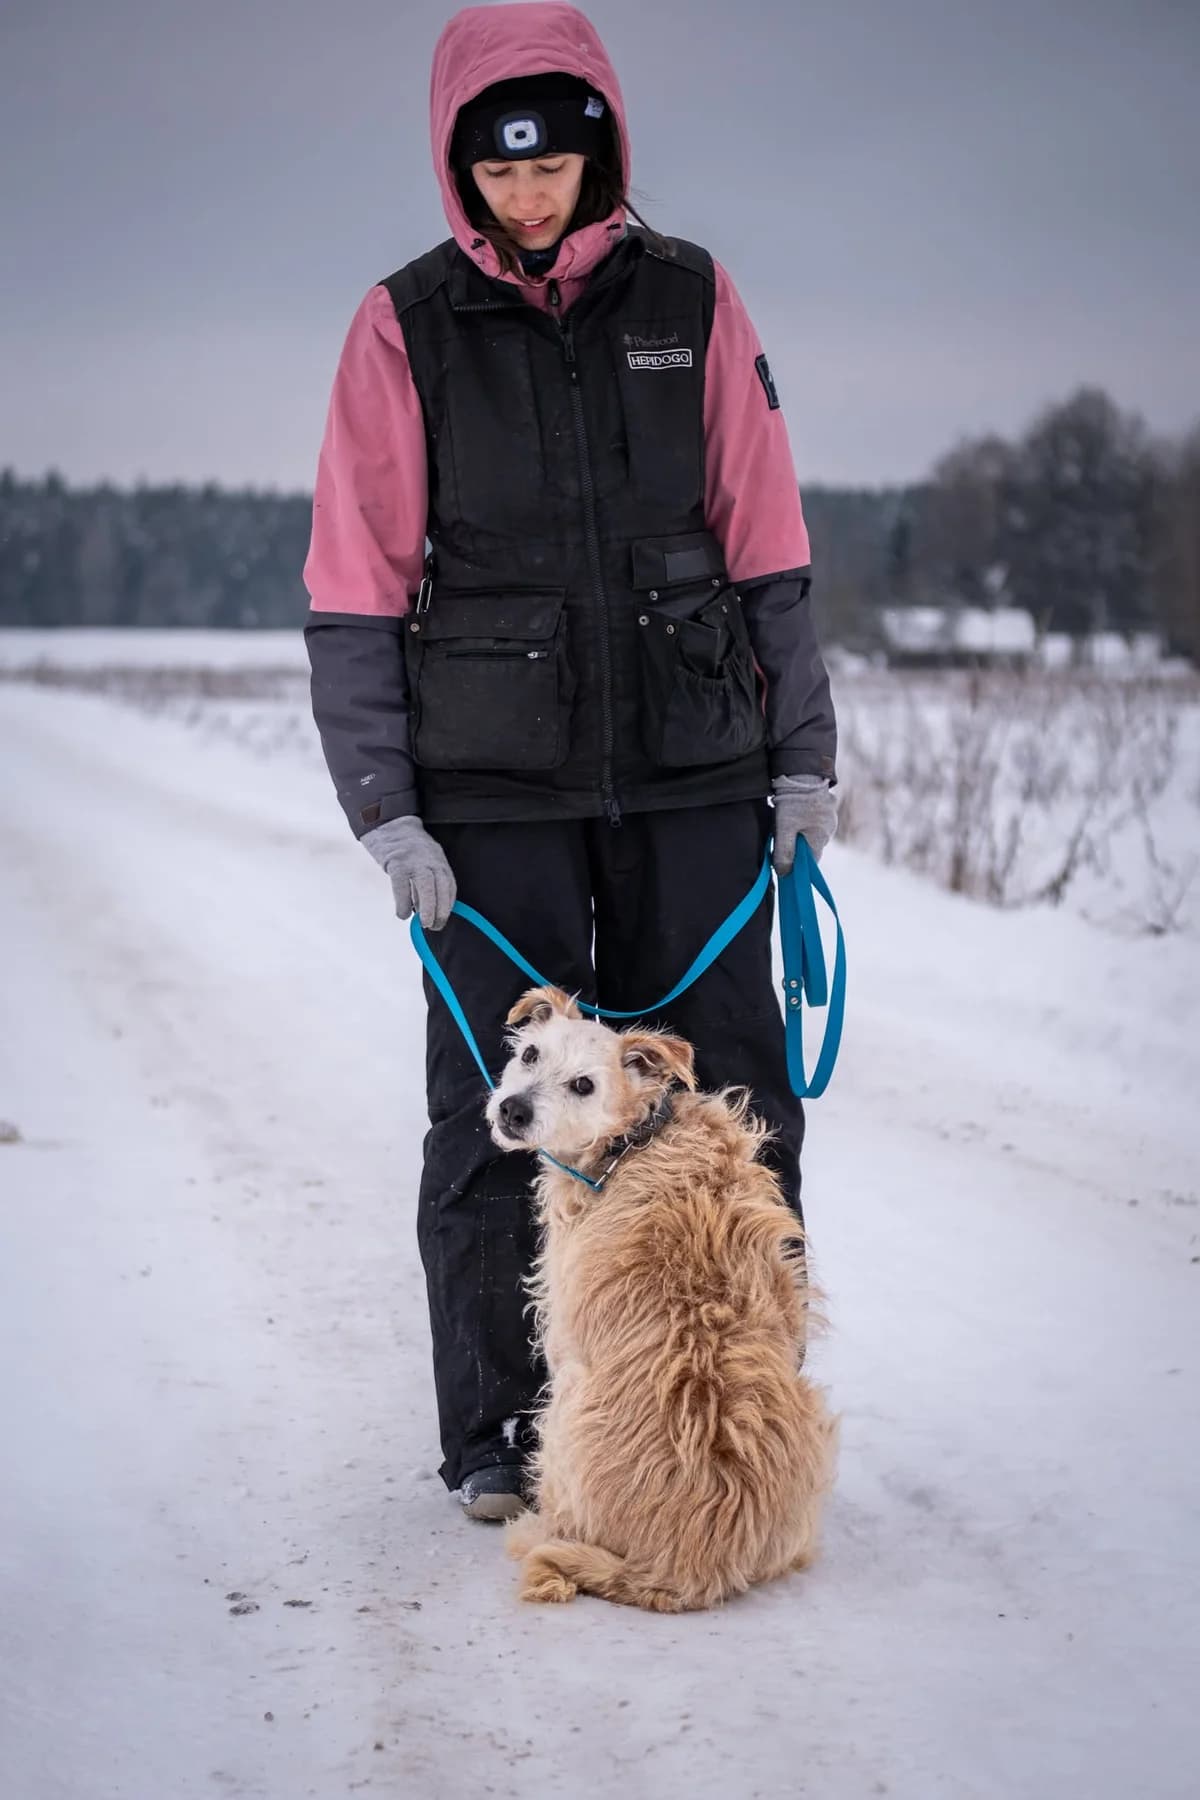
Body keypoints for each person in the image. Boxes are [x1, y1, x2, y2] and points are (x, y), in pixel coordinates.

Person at [302, 0, 838, 1522]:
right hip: (491, 800)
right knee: (503, 1110)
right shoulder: (403, 325)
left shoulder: (692, 298)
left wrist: (799, 759)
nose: (529, 198)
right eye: (499, 170)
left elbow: (769, 547)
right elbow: (352, 585)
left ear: (602, 150)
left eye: (555, 166)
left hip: (693, 779)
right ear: (459, 170)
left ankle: (739, 1413)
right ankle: (502, 1433)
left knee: (727, 1112)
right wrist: (387, 812)